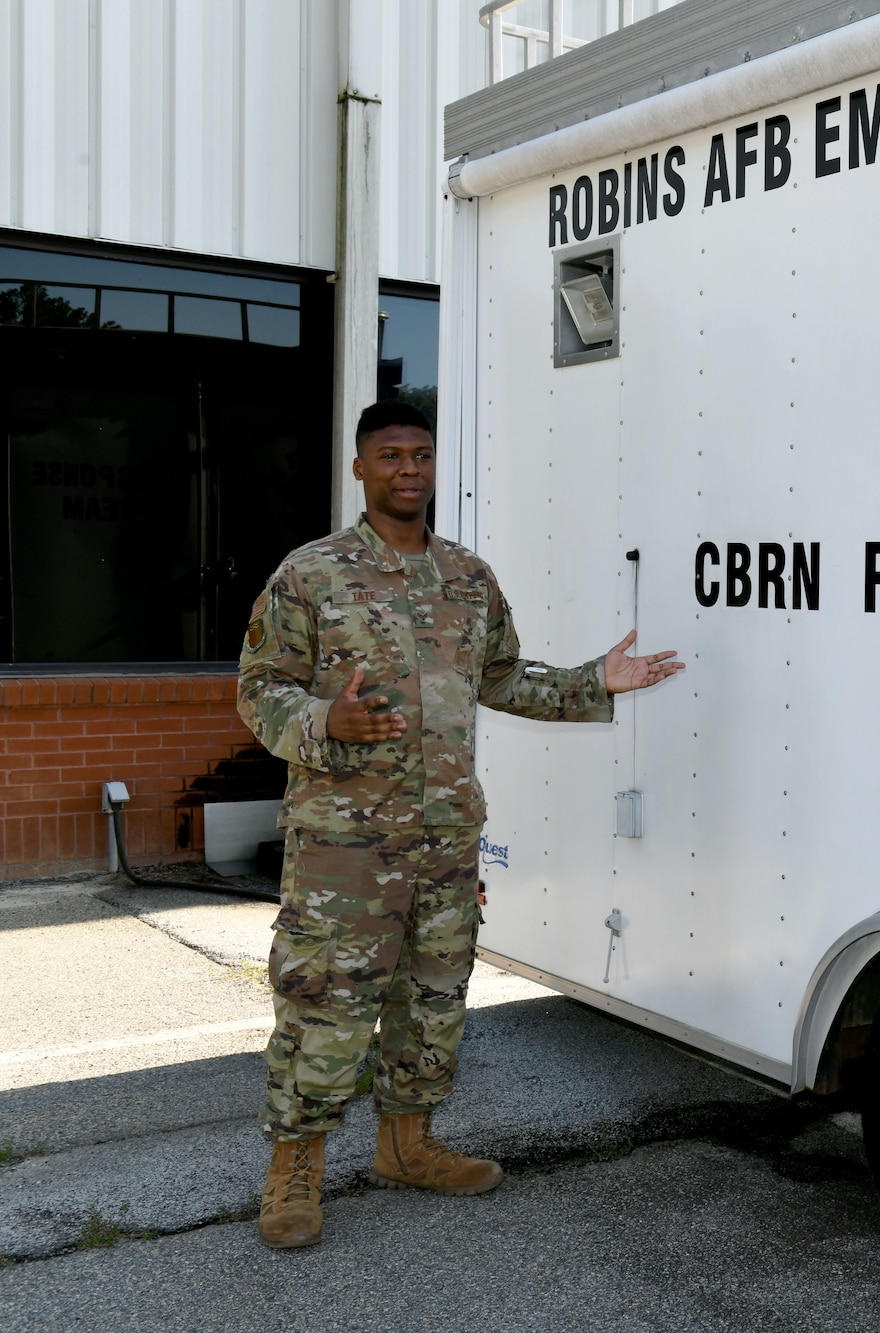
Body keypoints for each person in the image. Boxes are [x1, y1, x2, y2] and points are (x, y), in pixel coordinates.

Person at [237, 400, 682, 1249]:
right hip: (344, 850)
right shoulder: (311, 575)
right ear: (361, 468)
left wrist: (598, 680)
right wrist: (329, 719)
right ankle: (294, 1171)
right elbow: (257, 690)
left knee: (433, 1000)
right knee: (325, 1005)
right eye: (391, 455)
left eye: (423, 454)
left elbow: (505, 679)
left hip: (444, 840)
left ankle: (409, 1145)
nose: (409, 469)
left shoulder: (468, 579)